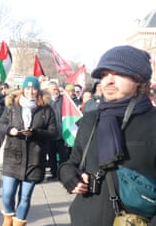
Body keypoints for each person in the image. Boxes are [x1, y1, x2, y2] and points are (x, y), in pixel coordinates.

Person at [58, 45, 156, 225]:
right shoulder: (90, 119)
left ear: (139, 80)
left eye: (118, 73)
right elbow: (70, 163)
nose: (108, 81)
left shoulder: (152, 122)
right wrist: (70, 177)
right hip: (85, 218)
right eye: (103, 74)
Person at [0, 76, 57, 226]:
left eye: (34, 88)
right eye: (28, 88)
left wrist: (35, 133)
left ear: (38, 90)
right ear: (23, 89)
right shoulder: (12, 107)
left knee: (25, 197)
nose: (31, 92)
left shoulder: (46, 109)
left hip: (35, 158)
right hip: (13, 156)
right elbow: (0, 124)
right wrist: (10, 130)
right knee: (7, 194)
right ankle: (8, 218)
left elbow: (54, 131)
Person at [45, 81, 72, 180]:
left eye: (56, 89)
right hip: (50, 134)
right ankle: (54, 173)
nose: (56, 91)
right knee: (51, 155)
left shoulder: (64, 100)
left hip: (62, 133)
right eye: (53, 89)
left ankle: (62, 174)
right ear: (49, 91)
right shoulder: (46, 102)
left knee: (63, 156)